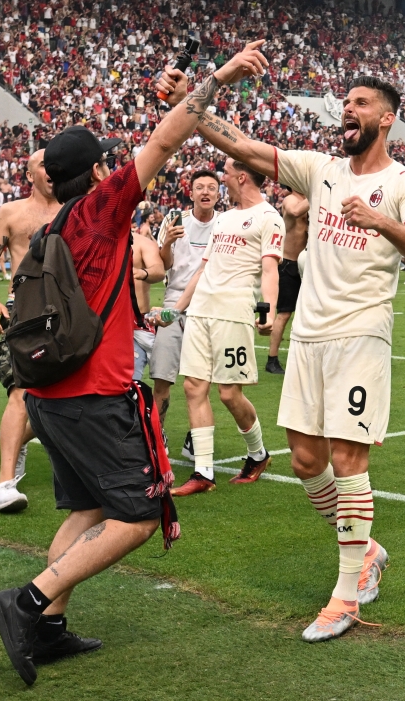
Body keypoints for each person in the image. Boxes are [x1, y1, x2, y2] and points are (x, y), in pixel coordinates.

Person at [0, 42, 269, 687]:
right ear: (93, 173)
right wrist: (220, 75)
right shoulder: (99, 212)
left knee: (86, 511)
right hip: (94, 394)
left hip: (50, 397)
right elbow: (167, 140)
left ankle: (49, 629)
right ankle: (27, 602)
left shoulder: (55, 225)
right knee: (140, 515)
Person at [158, 69, 405, 641]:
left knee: (348, 459)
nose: (347, 110)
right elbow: (236, 143)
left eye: (361, 103)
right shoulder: (320, 169)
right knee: (308, 462)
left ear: (387, 118)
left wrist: (378, 219)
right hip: (308, 336)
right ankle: (368, 550)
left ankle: (345, 595)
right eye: (345, 104)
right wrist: (194, 98)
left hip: (362, 334)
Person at [163, 157, 282, 496]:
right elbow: (202, 270)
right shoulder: (225, 218)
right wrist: (176, 310)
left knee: (229, 393)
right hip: (201, 310)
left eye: (226, 171)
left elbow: (270, 270)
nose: (221, 176)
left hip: (233, 311)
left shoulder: (268, 218)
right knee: (193, 388)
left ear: (241, 177)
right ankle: (203, 472)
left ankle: (257, 454)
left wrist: (268, 311)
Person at [0, 150, 61, 514]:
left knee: (64, 399)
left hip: (66, 311)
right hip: (22, 308)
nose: (51, 168)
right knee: (22, 392)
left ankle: (25, 439)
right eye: (43, 163)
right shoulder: (11, 212)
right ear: (29, 174)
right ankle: (5, 485)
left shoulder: (76, 207)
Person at [151, 170, 220, 427]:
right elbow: (164, 264)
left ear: (218, 194)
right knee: (162, 378)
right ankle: (158, 440)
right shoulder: (174, 218)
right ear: (190, 193)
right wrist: (167, 242)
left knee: (201, 382)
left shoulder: (224, 223)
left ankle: (195, 439)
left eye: (211, 188)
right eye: (199, 187)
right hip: (175, 299)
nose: (205, 192)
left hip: (208, 303)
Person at [266, 189, 308, 374]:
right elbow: (294, 212)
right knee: (284, 314)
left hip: (307, 263)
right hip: (288, 263)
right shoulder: (292, 200)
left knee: (307, 313)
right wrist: (318, 191)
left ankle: (302, 356)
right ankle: (272, 359)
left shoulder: (310, 200)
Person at [131, 229, 165, 381]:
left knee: (130, 383)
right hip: (104, 324)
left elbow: (159, 270)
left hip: (136, 324)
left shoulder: (143, 243)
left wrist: (141, 273)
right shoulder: (96, 241)